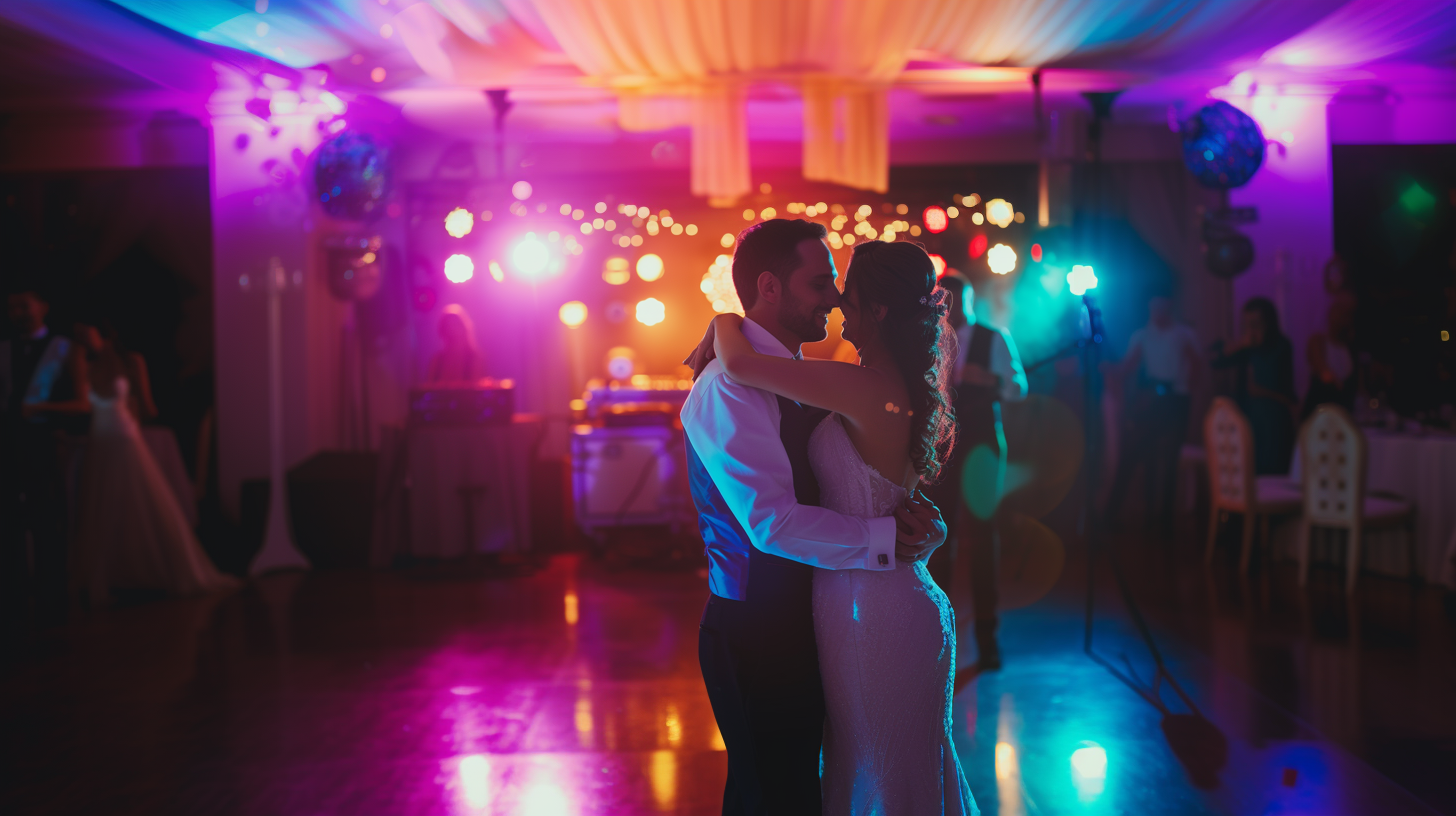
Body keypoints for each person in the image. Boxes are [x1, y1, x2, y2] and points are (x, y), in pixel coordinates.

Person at [683, 223, 973, 815]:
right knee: (779, 793)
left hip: (850, 611)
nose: (835, 298)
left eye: (842, 288)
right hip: (759, 625)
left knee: (825, 783)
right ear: (769, 287)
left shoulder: (819, 380)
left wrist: (723, 325)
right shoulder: (732, 386)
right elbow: (773, 524)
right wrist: (892, 536)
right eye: (821, 283)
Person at [29, 320, 236, 604]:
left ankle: (153, 568)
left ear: (101, 332)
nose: (80, 338)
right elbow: (83, 403)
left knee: (141, 501)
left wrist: (133, 410)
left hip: (125, 434)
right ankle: (110, 576)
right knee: (101, 507)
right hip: (99, 439)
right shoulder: (81, 361)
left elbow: (148, 406)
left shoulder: (132, 360)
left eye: (84, 332)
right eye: (77, 334)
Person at [928, 273, 1025, 671]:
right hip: (941, 446)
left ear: (969, 300)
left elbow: (1019, 386)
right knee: (939, 534)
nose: (949, 308)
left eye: (956, 300)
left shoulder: (993, 336)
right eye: (942, 301)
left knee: (984, 536)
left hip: (983, 443)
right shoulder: (930, 338)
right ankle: (937, 632)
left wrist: (995, 379)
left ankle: (987, 636)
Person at [0, 290, 80, 626]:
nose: (19, 312)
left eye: (24, 304)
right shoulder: (4, 350)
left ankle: (52, 596)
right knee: (9, 524)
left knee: (47, 521)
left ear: (43, 306)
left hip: (46, 443)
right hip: (9, 445)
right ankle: (14, 597)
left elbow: (78, 401)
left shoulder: (62, 348)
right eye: (12, 307)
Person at [1103, 295, 1202, 534]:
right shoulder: (1142, 335)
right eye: (1154, 304)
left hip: (1176, 399)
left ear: (1170, 305)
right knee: (1133, 454)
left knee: (1169, 461)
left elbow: (1196, 365)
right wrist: (1110, 370)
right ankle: (1108, 516)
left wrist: (1187, 394)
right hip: (1151, 400)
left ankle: (1164, 522)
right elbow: (1128, 366)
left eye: (1162, 304)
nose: (1158, 309)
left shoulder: (1184, 334)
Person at [1211, 298, 1297, 475]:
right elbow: (1217, 362)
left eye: (1256, 323)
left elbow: (1278, 382)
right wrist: (1239, 345)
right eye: (1246, 323)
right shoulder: (1247, 347)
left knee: (1275, 470)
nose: (1251, 328)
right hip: (1250, 419)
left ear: (1268, 323)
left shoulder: (1281, 345)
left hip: (1275, 419)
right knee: (1251, 469)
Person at [1302, 298, 1356, 419]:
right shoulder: (1318, 341)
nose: (1343, 318)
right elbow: (1323, 372)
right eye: (1340, 313)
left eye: (1347, 315)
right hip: (1320, 411)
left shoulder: (1350, 348)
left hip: (1344, 412)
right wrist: (1340, 386)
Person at [427, 304, 481, 383]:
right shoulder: (437, 361)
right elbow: (430, 390)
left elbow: (477, 390)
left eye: (455, 325)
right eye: (448, 326)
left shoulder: (474, 359)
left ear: (464, 329)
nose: (452, 331)